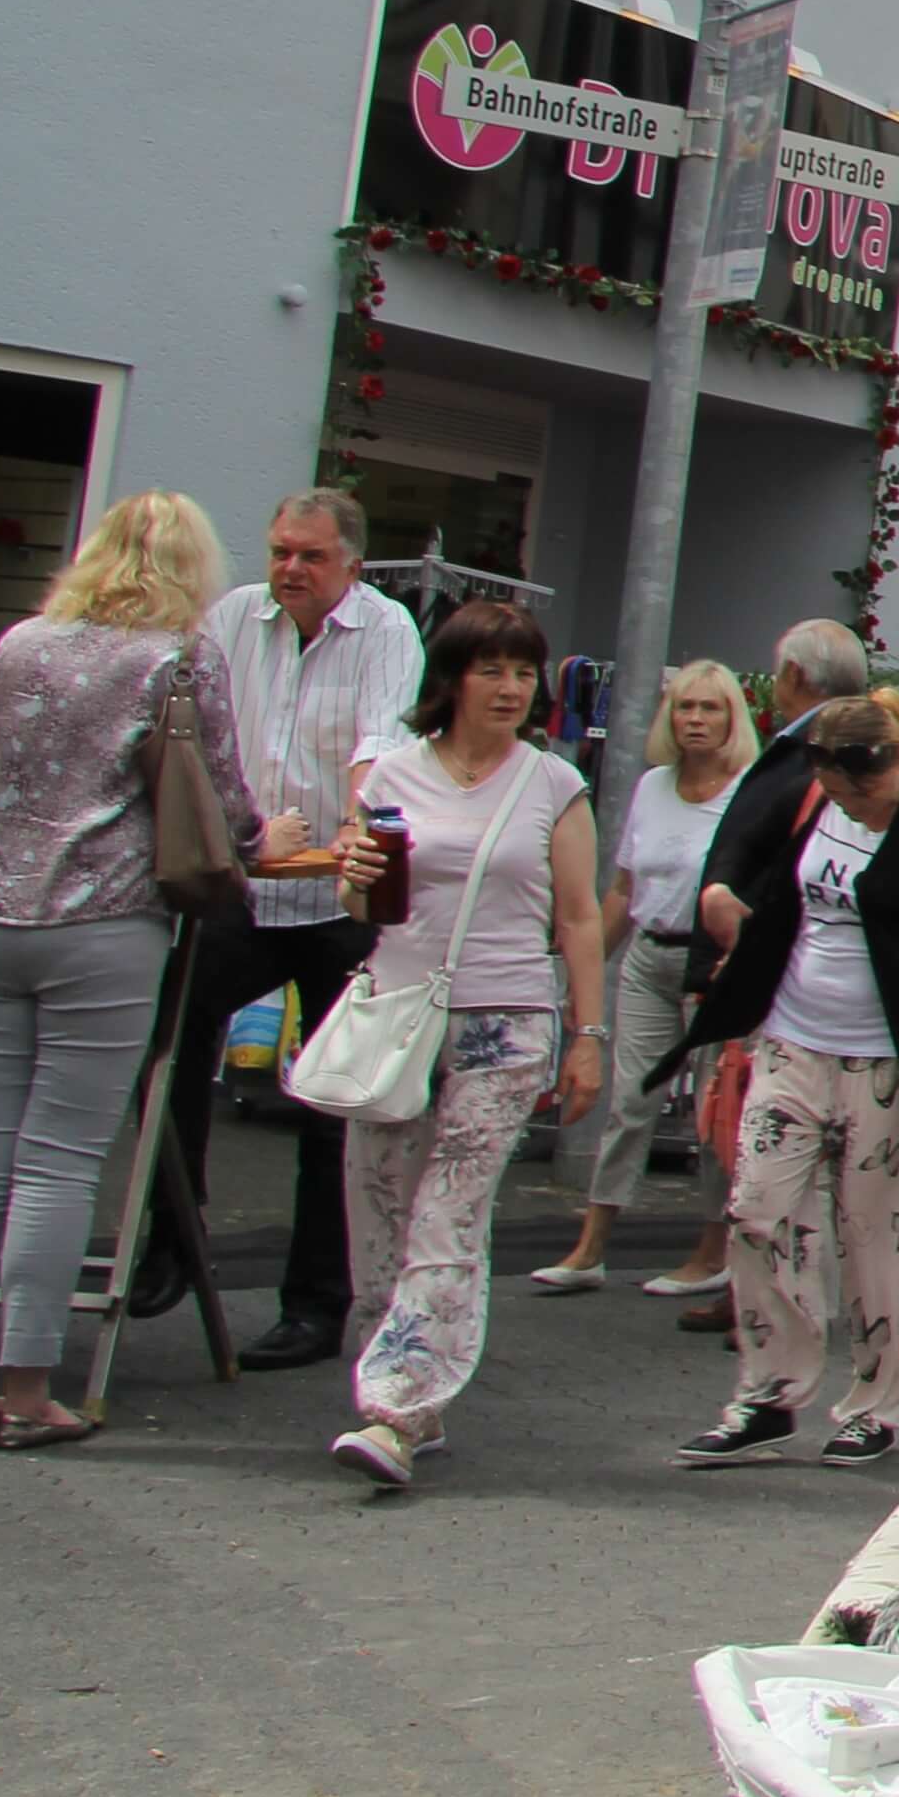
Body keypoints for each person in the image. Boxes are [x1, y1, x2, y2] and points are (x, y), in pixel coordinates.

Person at [0, 493, 254, 1444]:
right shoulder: (177, 658)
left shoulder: (21, 644)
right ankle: (26, 1391)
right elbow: (222, 800)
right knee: (60, 1161)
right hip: (104, 919)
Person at [317, 600, 609, 1489]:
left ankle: (397, 1407)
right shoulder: (392, 776)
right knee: (379, 1207)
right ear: (450, 679)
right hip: (400, 1012)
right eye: (493, 669)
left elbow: (579, 915)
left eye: (525, 672)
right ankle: (408, 1381)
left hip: (507, 1020)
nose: (512, 688)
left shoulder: (554, 785)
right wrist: (353, 880)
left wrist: (588, 1035)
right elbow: (362, 908)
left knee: (449, 1211)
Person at [671, 693, 899, 1467]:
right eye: (845, 791)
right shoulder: (807, 795)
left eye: (869, 790)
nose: (859, 804)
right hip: (790, 1038)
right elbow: (738, 848)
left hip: (884, 1053)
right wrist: (720, 896)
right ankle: (770, 1390)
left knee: (873, 1232)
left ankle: (878, 1401)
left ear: (897, 759)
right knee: (760, 1209)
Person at [184, 487, 423, 1371]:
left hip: (331, 903)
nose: (288, 568)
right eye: (281, 550)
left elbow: (379, 744)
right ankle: (174, 1232)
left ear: (350, 566)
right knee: (169, 1039)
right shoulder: (233, 620)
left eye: (310, 557)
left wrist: (356, 825)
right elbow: (203, 737)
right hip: (248, 890)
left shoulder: (386, 629)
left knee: (330, 1103)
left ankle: (316, 1302)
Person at [667, 617, 886, 1324]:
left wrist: (740, 926)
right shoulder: (829, 748)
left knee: (769, 1145)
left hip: (781, 980)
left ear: (795, 676)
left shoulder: (818, 754)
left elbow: (779, 855)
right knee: (768, 1146)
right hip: (787, 975)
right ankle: (757, 1294)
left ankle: (773, 1304)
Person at [534, 662, 755, 1291]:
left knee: (714, 1113)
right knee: (631, 1103)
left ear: (731, 719)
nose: (695, 721)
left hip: (712, 965)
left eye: (710, 709)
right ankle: (591, 1246)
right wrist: (583, 971)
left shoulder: (746, 793)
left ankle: (711, 1252)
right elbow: (625, 888)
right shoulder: (652, 787)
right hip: (648, 958)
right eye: (685, 708)